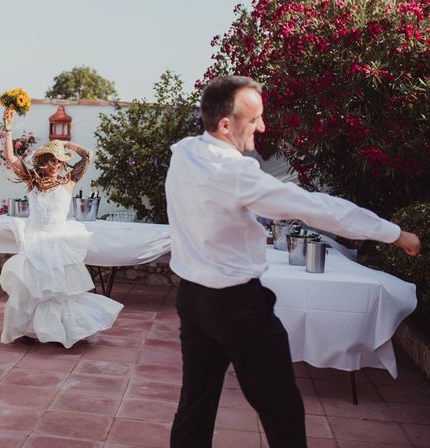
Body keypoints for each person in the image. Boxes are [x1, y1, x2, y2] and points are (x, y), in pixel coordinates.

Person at [165, 75, 421, 448]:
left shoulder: (185, 154)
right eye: (254, 119)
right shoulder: (234, 174)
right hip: (238, 307)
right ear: (225, 125)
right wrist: (394, 233)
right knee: (282, 409)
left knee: (195, 406)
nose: (263, 127)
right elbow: (317, 209)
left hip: (192, 301)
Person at [0, 111, 123, 348]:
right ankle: (32, 330)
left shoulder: (69, 181)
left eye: (59, 160)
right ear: (43, 161)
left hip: (58, 241)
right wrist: (8, 131)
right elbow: (11, 158)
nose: (56, 164)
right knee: (34, 289)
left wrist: (66, 144)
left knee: (59, 291)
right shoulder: (32, 181)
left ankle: (59, 331)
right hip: (35, 239)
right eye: (51, 160)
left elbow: (88, 156)